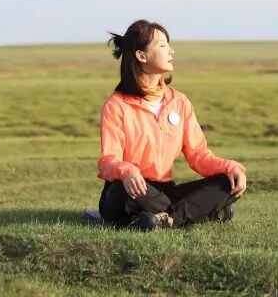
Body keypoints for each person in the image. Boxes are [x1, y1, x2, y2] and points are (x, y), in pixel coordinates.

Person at [97, 19, 247, 231]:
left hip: (165, 192)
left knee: (227, 183)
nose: (171, 51)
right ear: (141, 56)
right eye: (162, 45)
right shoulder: (117, 104)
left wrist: (229, 167)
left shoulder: (180, 102)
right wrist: (127, 171)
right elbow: (108, 161)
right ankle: (201, 211)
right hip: (129, 191)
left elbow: (198, 155)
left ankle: (166, 220)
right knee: (122, 189)